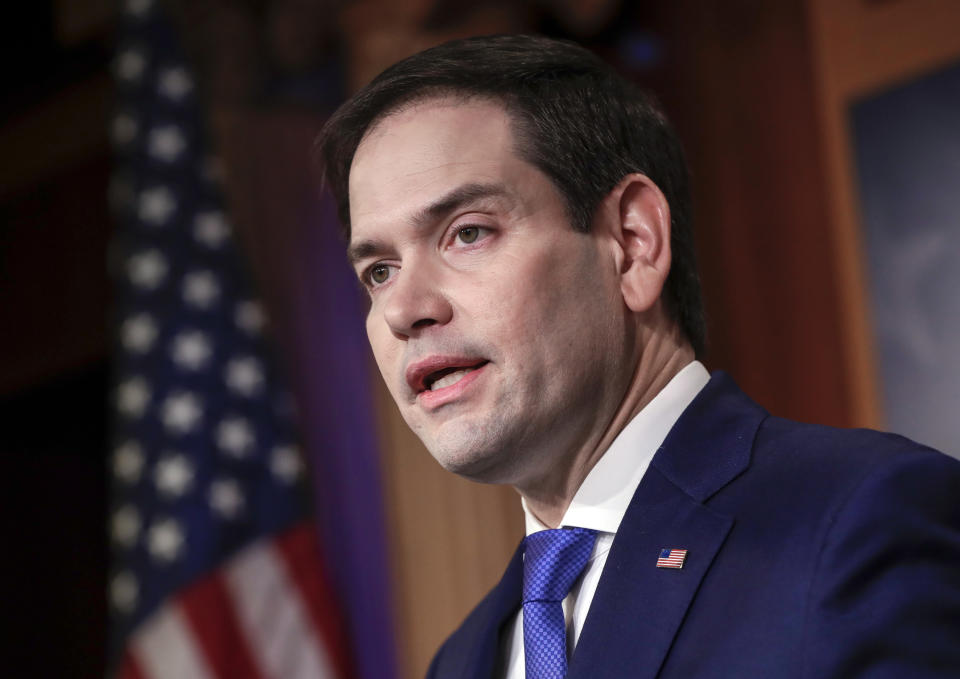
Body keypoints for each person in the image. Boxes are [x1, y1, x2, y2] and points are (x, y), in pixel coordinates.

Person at [317, 34, 960, 679]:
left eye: (468, 233)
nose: (404, 309)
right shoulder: (461, 661)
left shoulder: (855, 523)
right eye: (379, 271)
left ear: (632, 242)